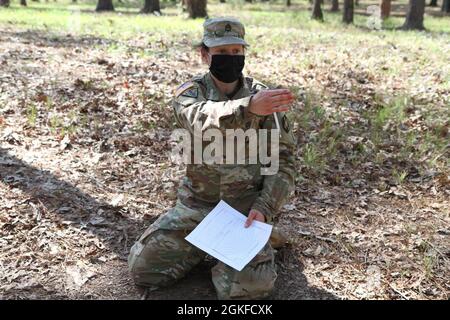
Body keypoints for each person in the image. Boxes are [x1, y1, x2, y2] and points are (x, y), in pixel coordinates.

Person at [128, 17, 296, 299]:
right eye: (221, 52)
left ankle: (261, 240)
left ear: (243, 54)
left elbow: (283, 160)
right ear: (204, 54)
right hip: (197, 208)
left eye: (236, 52)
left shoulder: (263, 97)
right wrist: (249, 109)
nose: (230, 58)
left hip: (245, 213)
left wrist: (264, 207)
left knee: (248, 291)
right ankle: (209, 247)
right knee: (144, 270)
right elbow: (199, 118)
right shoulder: (189, 95)